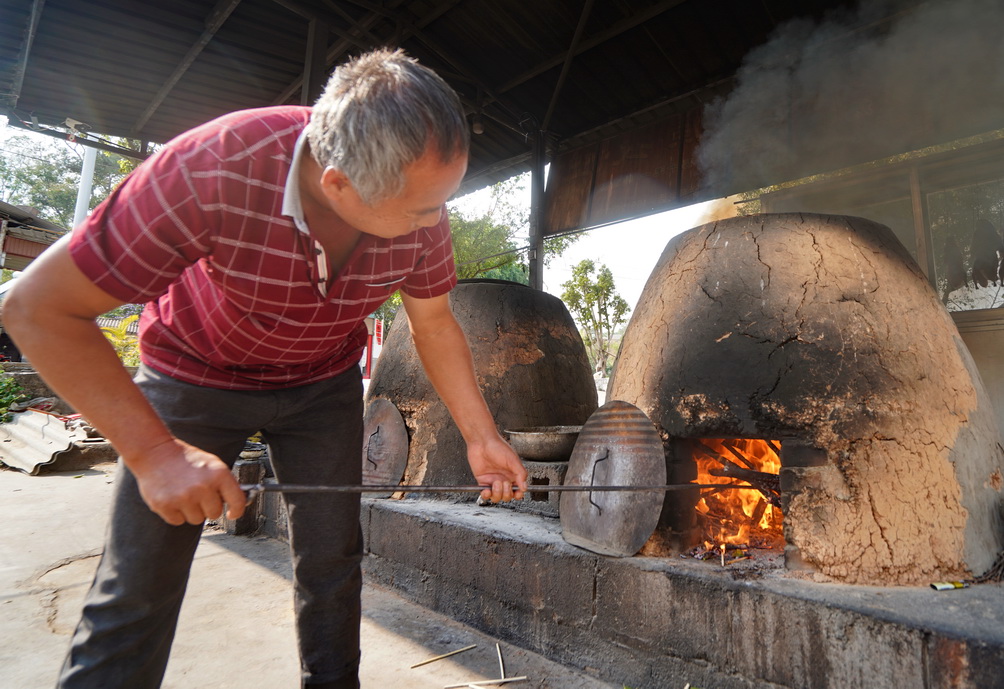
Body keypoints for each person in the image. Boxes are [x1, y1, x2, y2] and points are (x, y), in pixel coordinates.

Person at [1, 48, 528, 689]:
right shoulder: (209, 168)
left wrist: (481, 435)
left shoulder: (421, 207)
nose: (434, 222)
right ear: (338, 184)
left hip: (320, 384)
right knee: (141, 579)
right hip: (193, 377)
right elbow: (34, 308)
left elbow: (435, 322)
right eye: (420, 211)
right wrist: (153, 454)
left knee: (333, 562)